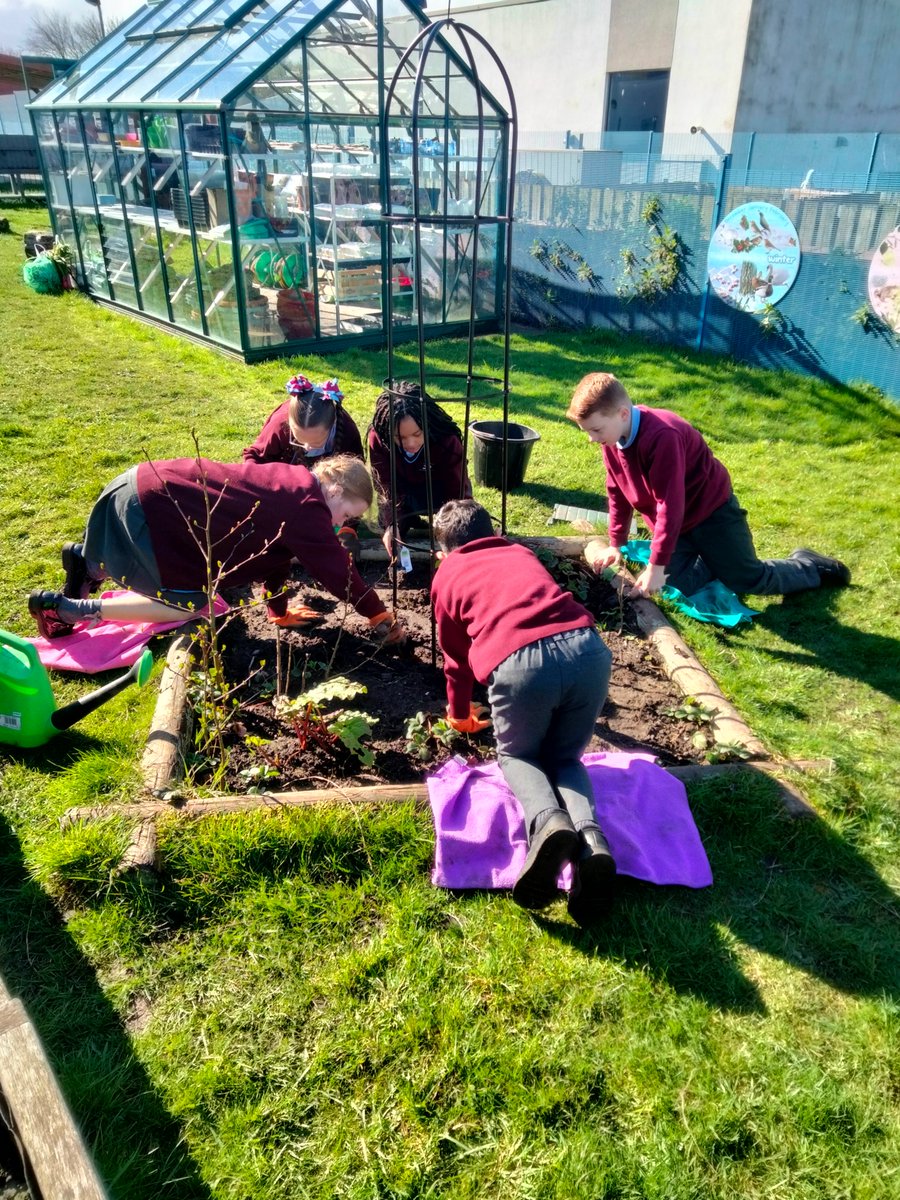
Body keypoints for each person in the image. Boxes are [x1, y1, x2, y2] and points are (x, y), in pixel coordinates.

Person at [431, 499, 615, 926]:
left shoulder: (447, 574)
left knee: (518, 756)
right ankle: (590, 840)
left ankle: (548, 823)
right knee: (565, 759)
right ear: (491, 531)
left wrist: (459, 713)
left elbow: (455, 659)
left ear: (444, 551)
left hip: (521, 666)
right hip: (588, 650)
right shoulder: (519, 552)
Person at [28, 454, 405, 646]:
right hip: (151, 509)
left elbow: (274, 557)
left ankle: (86, 563)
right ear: (336, 491)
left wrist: (278, 612)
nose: (340, 525)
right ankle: (68, 610)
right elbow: (340, 573)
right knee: (194, 602)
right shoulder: (309, 508)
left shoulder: (294, 484)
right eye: (346, 515)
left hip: (141, 484)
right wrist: (379, 616)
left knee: (173, 572)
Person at [567, 372, 851, 599]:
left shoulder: (662, 435)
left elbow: (670, 504)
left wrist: (655, 565)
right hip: (675, 525)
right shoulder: (611, 439)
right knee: (670, 588)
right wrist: (616, 543)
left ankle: (810, 565)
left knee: (747, 580)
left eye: (595, 430)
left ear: (623, 414)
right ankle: (715, 562)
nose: (592, 439)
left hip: (712, 514)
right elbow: (617, 490)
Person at [244, 374, 366, 557]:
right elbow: (254, 460)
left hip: (328, 497)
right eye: (300, 440)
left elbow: (354, 485)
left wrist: (347, 528)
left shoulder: (346, 431)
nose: (307, 447)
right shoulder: (279, 425)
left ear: (331, 426)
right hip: (284, 492)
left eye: (316, 443)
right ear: (290, 425)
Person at [367, 381, 472, 556]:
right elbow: (384, 485)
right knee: (395, 529)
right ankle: (408, 519)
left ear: (427, 425)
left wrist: (457, 526)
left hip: (440, 491)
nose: (410, 443)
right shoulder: (378, 439)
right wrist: (391, 523)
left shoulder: (446, 441)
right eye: (400, 437)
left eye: (417, 434)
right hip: (401, 492)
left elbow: (457, 490)